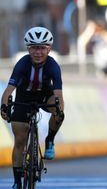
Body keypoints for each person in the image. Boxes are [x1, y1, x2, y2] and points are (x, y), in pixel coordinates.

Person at [0, 26, 65, 189]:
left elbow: (58, 95)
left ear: (49, 49)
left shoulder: (53, 66)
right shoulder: (22, 64)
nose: (38, 52)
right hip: (24, 97)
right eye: (34, 48)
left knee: (59, 112)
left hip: (45, 95)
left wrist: (58, 111)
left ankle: (50, 139)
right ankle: (17, 181)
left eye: (42, 48)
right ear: (28, 49)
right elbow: (8, 91)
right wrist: (4, 107)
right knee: (20, 140)